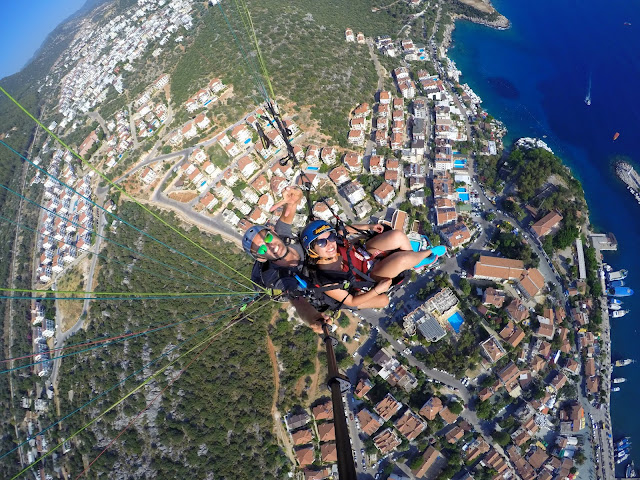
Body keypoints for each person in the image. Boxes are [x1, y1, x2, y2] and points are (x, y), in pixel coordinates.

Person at [301, 220, 441, 310]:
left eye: (330, 237)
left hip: (364, 252)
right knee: (402, 259)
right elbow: (350, 301)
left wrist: (369, 227)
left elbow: (346, 230)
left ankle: (415, 262)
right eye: (321, 243)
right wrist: (377, 291)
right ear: (311, 249)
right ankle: (426, 255)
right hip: (369, 274)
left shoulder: (335, 242)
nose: (330, 244)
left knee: (397, 236)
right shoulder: (325, 280)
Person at [242, 186, 328, 332]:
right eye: (263, 249)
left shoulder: (283, 237)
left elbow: (288, 212)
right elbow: (297, 300)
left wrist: (293, 199)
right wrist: (313, 320)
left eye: (268, 237)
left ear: (274, 232)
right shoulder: (278, 279)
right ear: (262, 259)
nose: (271, 246)